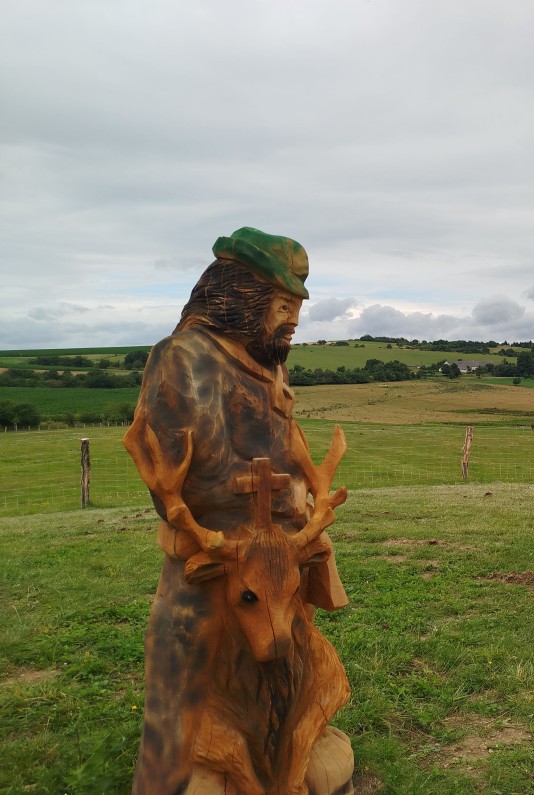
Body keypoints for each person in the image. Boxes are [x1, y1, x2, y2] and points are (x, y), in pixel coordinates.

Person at [123, 227, 351, 794]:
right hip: (214, 563)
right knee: (194, 681)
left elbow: (287, 446)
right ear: (242, 300)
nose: (293, 321)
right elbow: (192, 476)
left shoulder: (270, 363)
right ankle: (193, 766)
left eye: (296, 308)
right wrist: (276, 503)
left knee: (286, 670)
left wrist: (301, 503)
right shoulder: (184, 359)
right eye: (282, 307)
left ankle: (290, 752)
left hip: (275, 567)